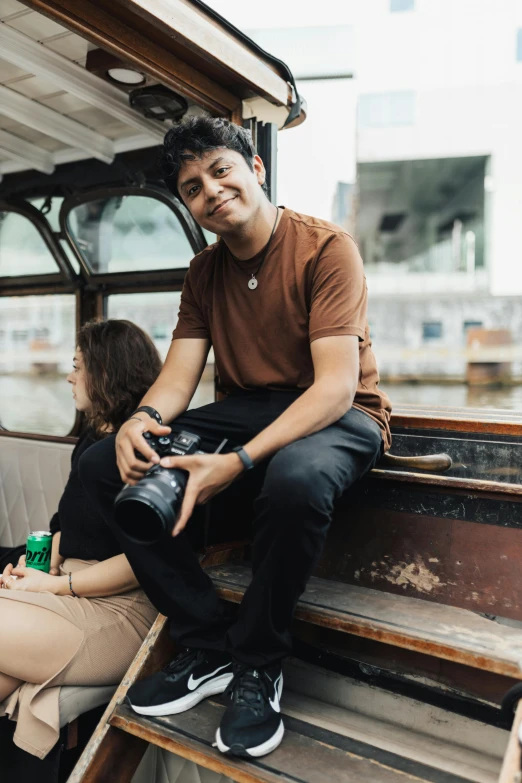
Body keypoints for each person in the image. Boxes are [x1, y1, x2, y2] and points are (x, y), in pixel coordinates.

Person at [79, 117, 392, 759]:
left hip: (343, 412)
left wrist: (241, 461)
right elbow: (178, 377)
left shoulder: (327, 249)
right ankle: (206, 642)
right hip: (252, 407)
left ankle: (259, 663)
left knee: (295, 479)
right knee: (101, 467)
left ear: (256, 168)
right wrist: (140, 422)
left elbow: (333, 388)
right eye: (193, 187)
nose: (212, 191)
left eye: (221, 170)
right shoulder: (204, 273)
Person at [0, 319, 161, 759]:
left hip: (119, 611)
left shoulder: (147, 450)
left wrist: (52, 586)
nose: (69, 377)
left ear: (108, 372)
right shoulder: (92, 438)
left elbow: (141, 562)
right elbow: (68, 530)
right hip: (67, 589)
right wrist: (33, 570)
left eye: (78, 366)